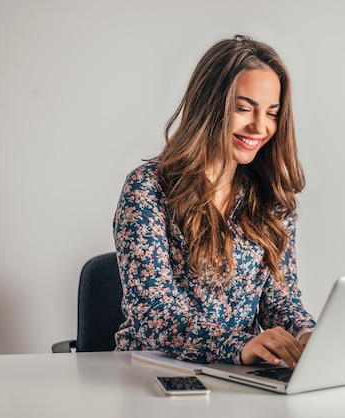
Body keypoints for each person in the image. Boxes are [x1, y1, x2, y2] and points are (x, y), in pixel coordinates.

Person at [113, 35, 315, 369]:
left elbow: (280, 300)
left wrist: (307, 334)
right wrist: (238, 345)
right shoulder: (147, 188)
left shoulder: (272, 198)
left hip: (236, 373)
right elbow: (153, 315)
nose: (259, 126)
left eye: (272, 113)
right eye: (243, 108)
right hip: (153, 371)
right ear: (210, 105)